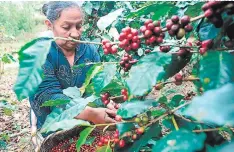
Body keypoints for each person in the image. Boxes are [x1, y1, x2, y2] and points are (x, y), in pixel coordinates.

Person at [29, 1, 118, 140]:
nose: (75, 34)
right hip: (52, 127)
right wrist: (92, 114)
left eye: (79, 26)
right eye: (66, 27)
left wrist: (106, 103)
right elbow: (49, 96)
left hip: (84, 124)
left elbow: (97, 86)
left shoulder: (90, 50)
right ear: (49, 25)